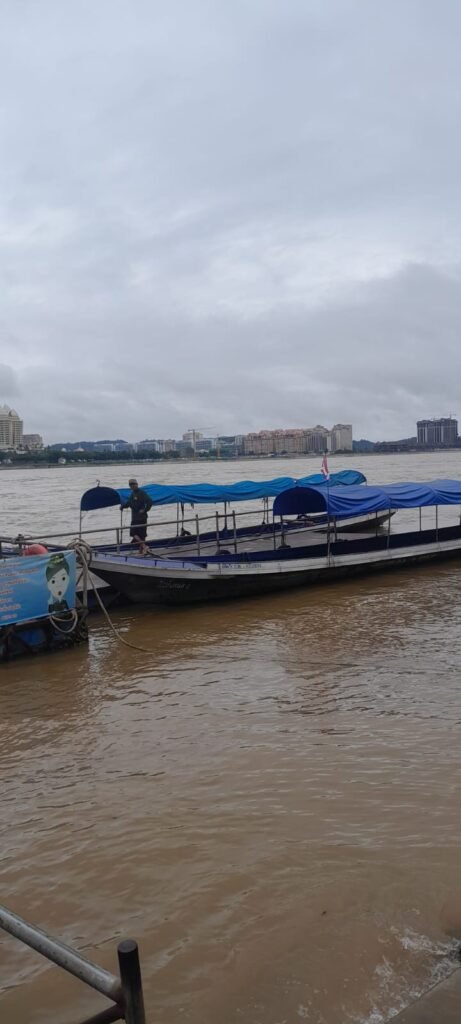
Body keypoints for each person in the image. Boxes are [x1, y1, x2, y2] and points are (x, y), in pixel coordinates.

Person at [121, 479, 153, 554]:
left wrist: (144, 510)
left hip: (141, 517)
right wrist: (122, 507)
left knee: (135, 534)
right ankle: (141, 551)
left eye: (134, 484)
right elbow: (128, 503)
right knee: (138, 535)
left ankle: (144, 547)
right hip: (135, 517)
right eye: (131, 485)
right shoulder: (132, 494)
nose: (132, 486)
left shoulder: (142, 493)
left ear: (137, 484)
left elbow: (150, 502)